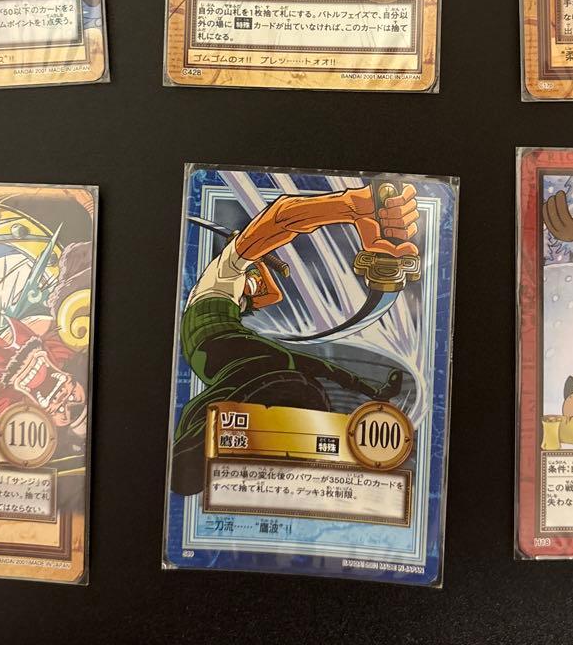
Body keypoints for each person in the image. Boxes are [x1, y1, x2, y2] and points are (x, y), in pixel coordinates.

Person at [169, 183, 418, 495]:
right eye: (254, 278)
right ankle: (365, 389)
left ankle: (198, 434)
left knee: (254, 374)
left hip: (209, 355)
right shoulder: (226, 270)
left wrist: (259, 260)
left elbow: (271, 295)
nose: (256, 283)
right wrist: (354, 204)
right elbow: (281, 216)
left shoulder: (231, 292)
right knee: (287, 361)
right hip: (219, 340)